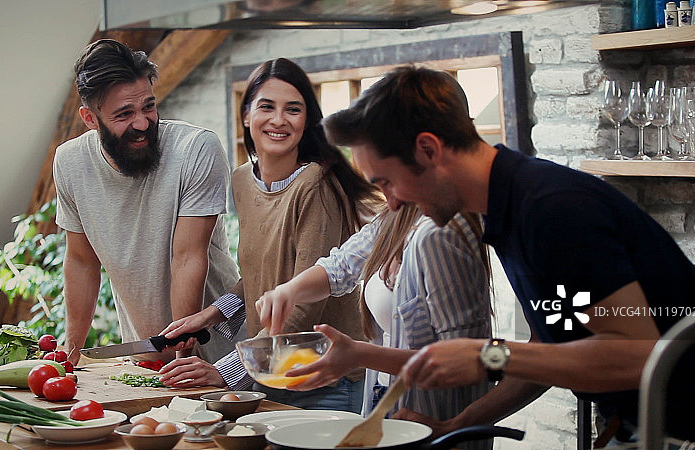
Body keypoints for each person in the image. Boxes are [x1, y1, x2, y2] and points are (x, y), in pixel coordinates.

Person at [313, 65, 695, 446]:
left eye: (386, 181)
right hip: (639, 423)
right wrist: (456, 424)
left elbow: (637, 356)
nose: (390, 203)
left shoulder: (551, 211)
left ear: (428, 149)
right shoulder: (509, 207)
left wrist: (487, 355)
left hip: (692, 433)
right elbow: (548, 348)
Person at [159, 58, 381, 413]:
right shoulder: (243, 180)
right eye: (267, 107)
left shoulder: (317, 184)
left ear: (307, 121)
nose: (279, 120)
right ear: (246, 115)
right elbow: (263, 272)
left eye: (293, 109)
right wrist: (212, 314)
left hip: (323, 380)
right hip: (270, 372)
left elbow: (305, 302)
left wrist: (226, 372)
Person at [53, 39, 240, 366]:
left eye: (148, 106)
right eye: (124, 114)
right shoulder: (70, 162)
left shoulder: (196, 149)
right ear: (90, 118)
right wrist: (70, 354)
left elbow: (186, 258)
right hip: (145, 358)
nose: (142, 123)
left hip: (220, 354)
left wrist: (183, 353)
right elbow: (82, 262)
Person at [256, 202, 495, 450]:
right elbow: (340, 266)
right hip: (383, 399)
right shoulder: (396, 218)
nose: (385, 195)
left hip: (433, 416)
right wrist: (289, 291)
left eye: (383, 179)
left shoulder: (439, 236)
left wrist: (360, 355)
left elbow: (466, 361)